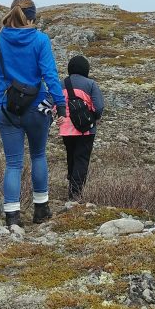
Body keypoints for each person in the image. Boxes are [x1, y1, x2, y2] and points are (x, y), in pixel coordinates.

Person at [0, 0, 66, 227]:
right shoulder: (40, 40)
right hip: (37, 109)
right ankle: (41, 209)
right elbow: (50, 75)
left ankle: (12, 216)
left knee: (13, 163)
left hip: (6, 109)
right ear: (31, 17)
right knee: (38, 155)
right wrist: (60, 104)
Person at [60, 55, 104, 201]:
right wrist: (93, 117)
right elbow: (98, 108)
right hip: (86, 129)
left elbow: (54, 104)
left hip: (66, 129)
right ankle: (75, 193)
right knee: (81, 159)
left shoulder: (62, 83)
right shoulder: (91, 84)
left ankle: (71, 184)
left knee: (71, 156)